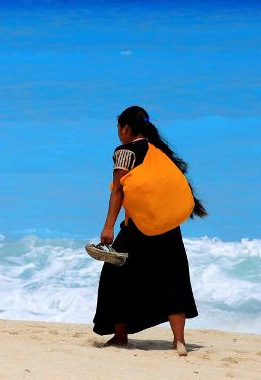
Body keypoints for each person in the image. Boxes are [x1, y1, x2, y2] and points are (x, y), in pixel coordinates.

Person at [92, 105, 207, 357]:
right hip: (167, 225)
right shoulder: (160, 152)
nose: (118, 134)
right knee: (173, 279)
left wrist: (109, 225)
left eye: (119, 128)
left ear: (125, 128)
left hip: (137, 227)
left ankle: (121, 336)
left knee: (115, 276)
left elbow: (118, 190)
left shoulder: (125, 151)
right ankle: (179, 341)